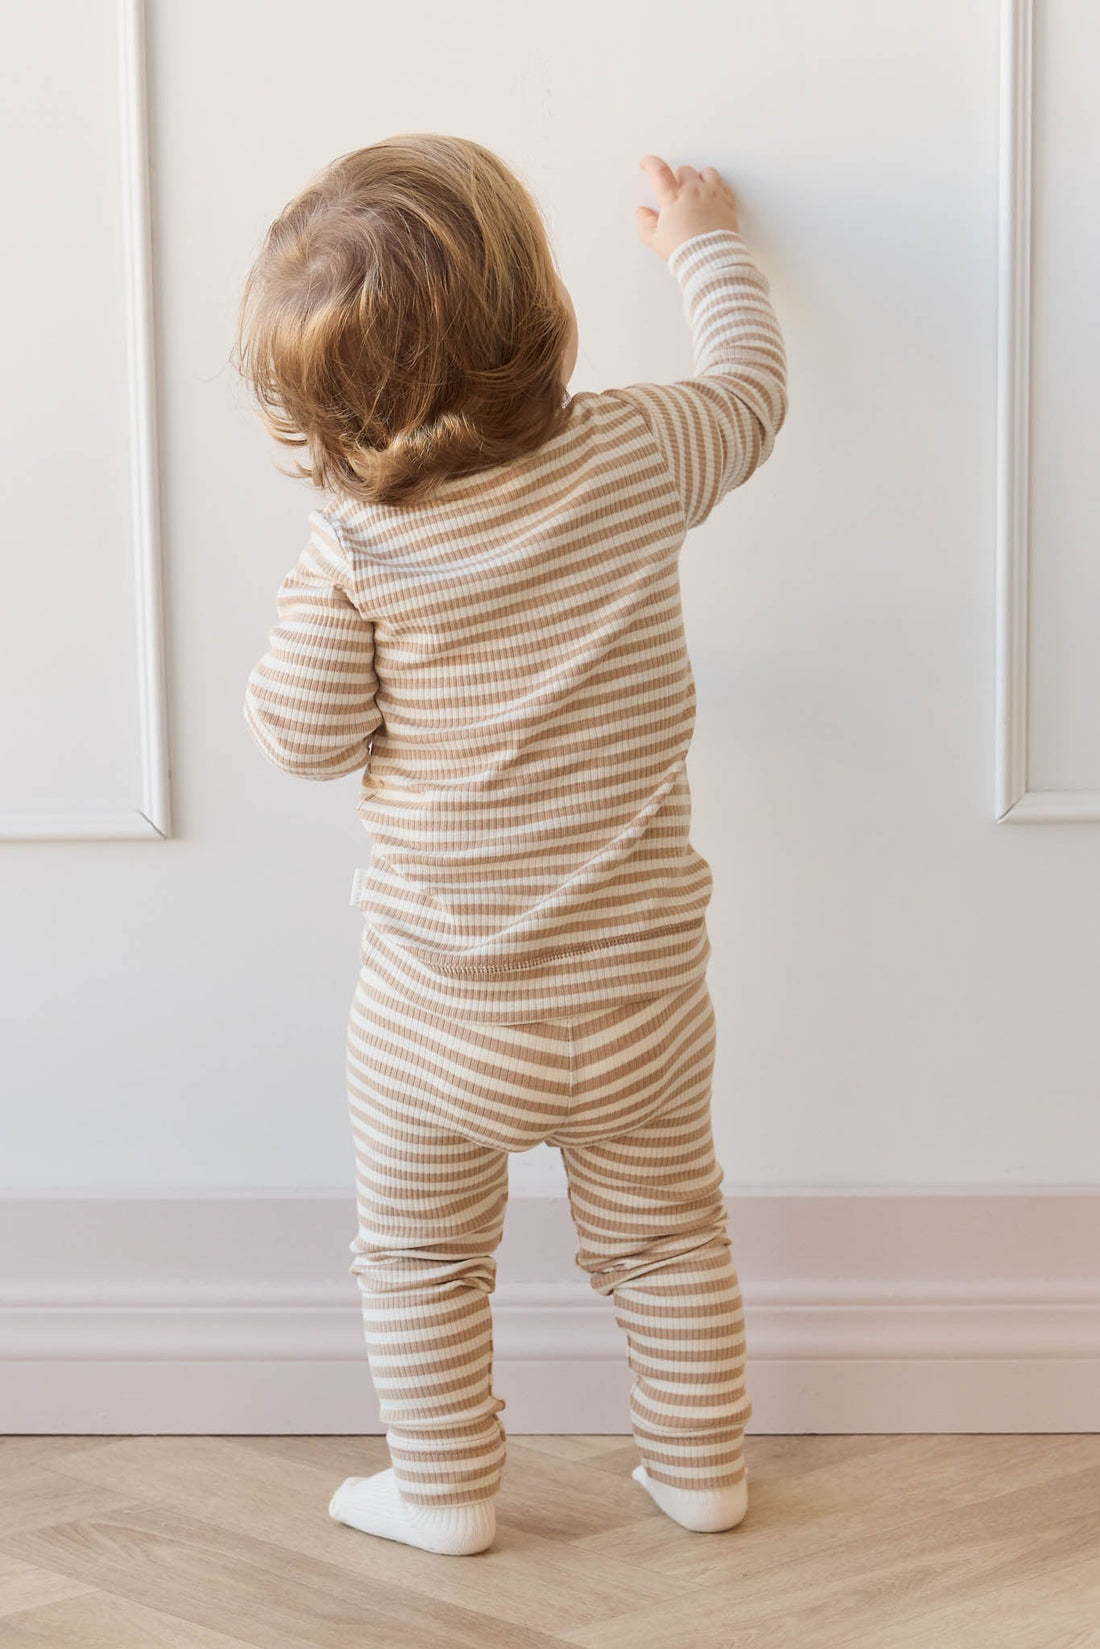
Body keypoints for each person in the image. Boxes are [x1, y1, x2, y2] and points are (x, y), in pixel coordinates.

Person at [237, 134, 787, 1556]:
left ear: (322, 402)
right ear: (538, 313)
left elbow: (299, 737)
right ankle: (702, 1471)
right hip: (638, 995)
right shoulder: (638, 450)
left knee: (421, 1258)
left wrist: (322, 570)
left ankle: (443, 1493)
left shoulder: (358, 546)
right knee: (668, 1236)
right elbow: (752, 392)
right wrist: (703, 247)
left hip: (441, 1015)